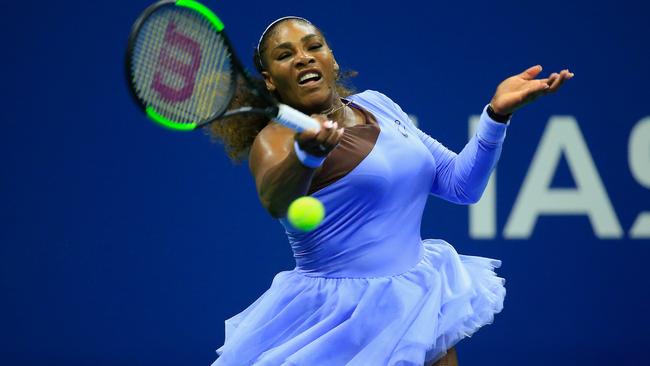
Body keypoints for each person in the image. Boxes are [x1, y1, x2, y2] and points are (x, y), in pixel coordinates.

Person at [209, 16, 573, 366]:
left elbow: (461, 185)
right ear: (270, 81)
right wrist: (307, 154)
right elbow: (276, 200)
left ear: (331, 60)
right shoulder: (275, 140)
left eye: (313, 46)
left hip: (417, 296)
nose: (303, 57)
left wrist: (496, 116)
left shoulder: (377, 105)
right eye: (285, 55)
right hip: (344, 322)